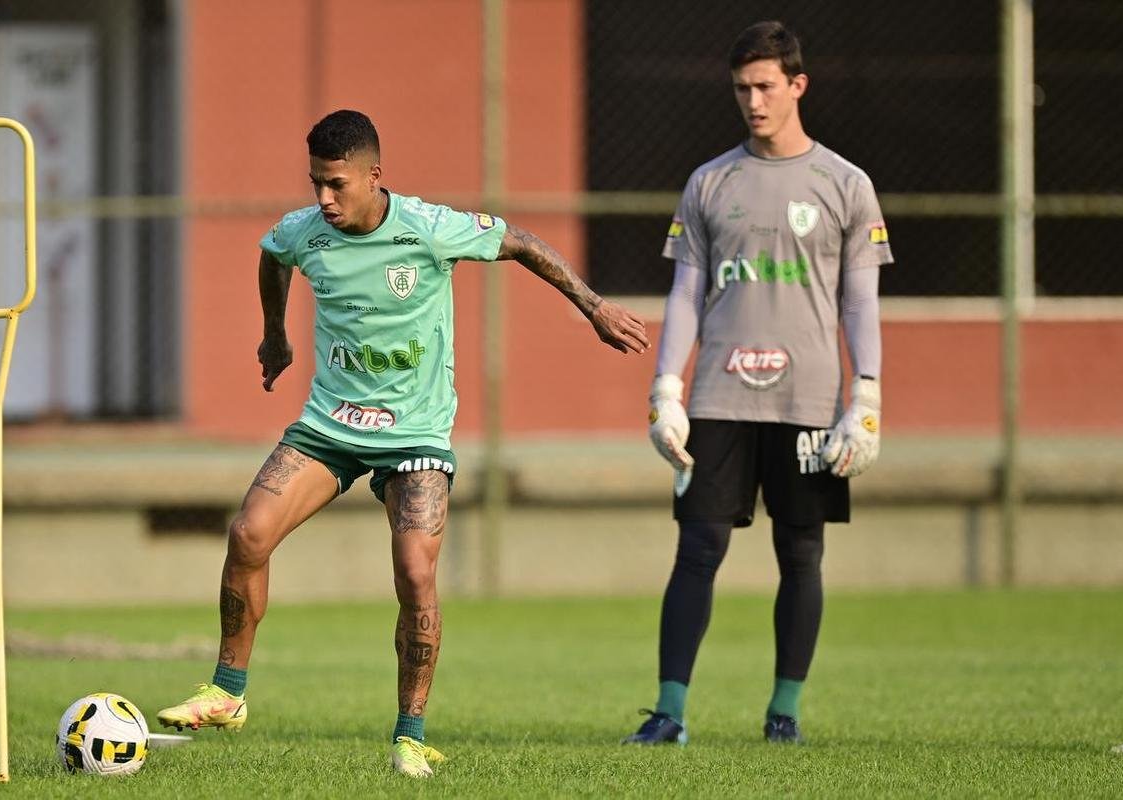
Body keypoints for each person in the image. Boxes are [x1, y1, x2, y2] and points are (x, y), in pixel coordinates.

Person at [155, 109, 649, 778]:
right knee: (248, 535)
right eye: (315, 185)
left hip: (414, 433)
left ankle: (408, 736)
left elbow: (521, 241)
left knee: (414, 573)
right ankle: (227, 693)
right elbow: (272, 257)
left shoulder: (428, 228)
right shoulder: (304, 234)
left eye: (335, 185)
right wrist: (275, 334)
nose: (323, 200)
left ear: (372, 176)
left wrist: (591, 306)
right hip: (330, 425)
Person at [622, 20, 894, 746]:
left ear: (797, 85)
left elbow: (860, 301)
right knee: (697, 548)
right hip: (717, 396)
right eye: (741, 88)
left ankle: (784, 715)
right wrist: (665, 392)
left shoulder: (844, 184)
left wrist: (863, 398)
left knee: (799, 552)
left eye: (765, 86)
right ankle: (669, 713)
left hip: (807, 398)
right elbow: (684, 293)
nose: (752, 101)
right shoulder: (709, 182)